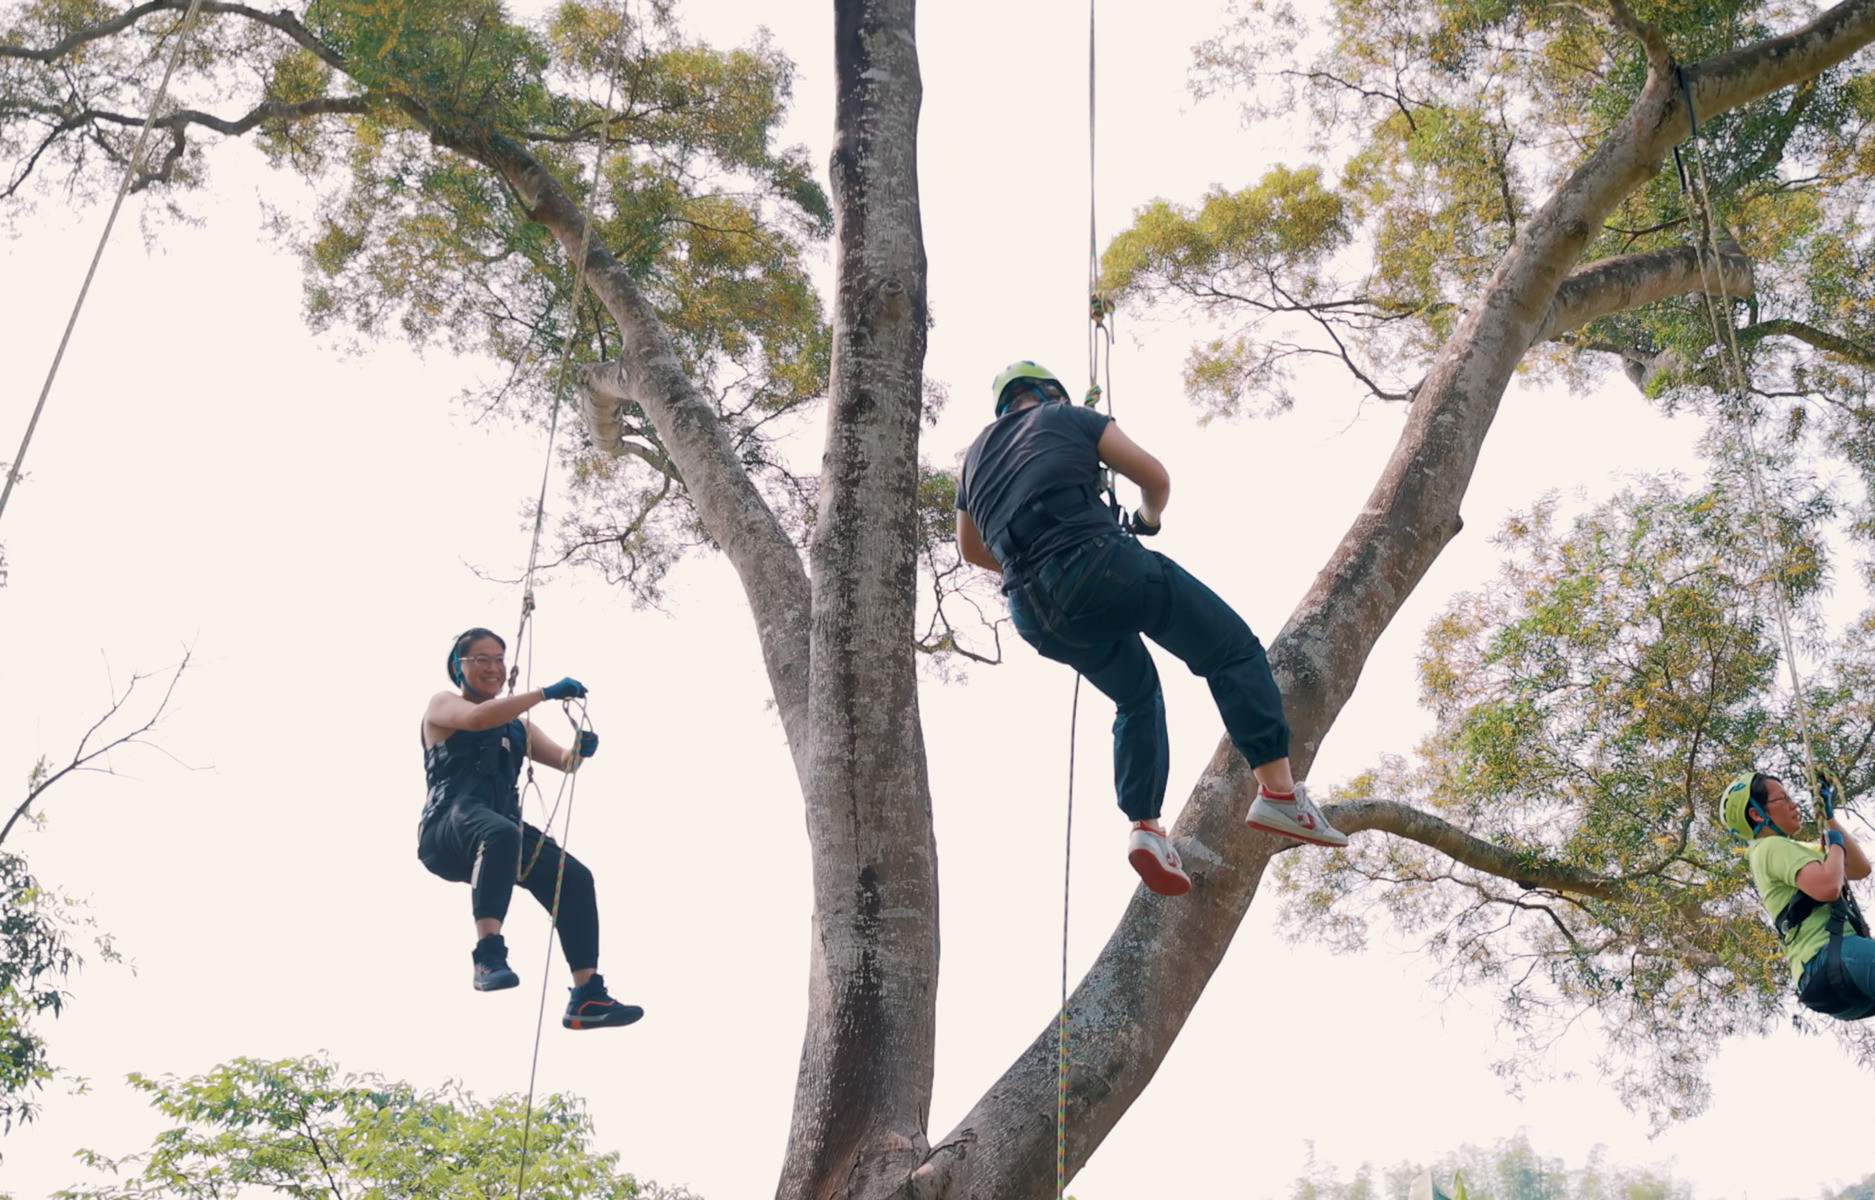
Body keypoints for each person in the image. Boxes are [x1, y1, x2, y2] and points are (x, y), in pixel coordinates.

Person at [955, 361, 1347, 897]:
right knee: (1229, 650)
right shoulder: (1067, 416)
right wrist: (1147, 520)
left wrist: (1041, 568)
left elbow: (971, 549)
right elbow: (1155, 478)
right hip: (1099, 562)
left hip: (1035, 611)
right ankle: (1278, 794)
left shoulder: (974, 462)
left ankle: (1146, 829)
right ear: (1049, 393)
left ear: (1002, 407)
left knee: (1136, 698)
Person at [420, 627, 642, 1029]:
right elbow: (476, 717)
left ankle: (586, 996)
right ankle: (488, 954)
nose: (494, 667)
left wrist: (579, 750)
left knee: (573, 877)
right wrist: (544, 693)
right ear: (459, 667)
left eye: (500, 659)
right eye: (481, 660)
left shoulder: (517, 726)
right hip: (448, 827)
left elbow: (563, 762)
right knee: (501, 833)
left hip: (499, 832)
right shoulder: (444, 704)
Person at [1719, 770, 1875, 1019]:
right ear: (1757, 813)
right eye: (1782, 799)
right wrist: (1835, 845)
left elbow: (1859, 869)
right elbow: (1827, 887)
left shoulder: (1796, 851)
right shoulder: (1770, 846)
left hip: (1832, 973)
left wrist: (1830, 820)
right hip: (1833, 957)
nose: (1793, 804)